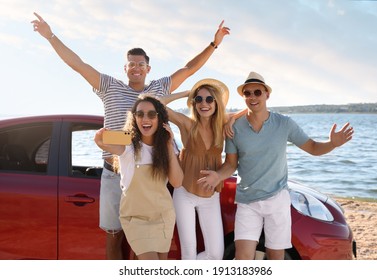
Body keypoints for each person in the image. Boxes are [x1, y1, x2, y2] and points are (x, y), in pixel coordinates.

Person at [31, 12, 230, 259]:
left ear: (148, 68)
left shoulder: (158, 89)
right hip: (116, 172)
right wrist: (50, 35)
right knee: (114, 234)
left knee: (148, 242)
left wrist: (214, 44)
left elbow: (188, 69)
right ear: (125, 68)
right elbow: (78, 64)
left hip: (154, 172)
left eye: (141, 64)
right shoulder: (109, 86)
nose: (136, 68)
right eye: (132, 64)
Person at [198, 71, 354, 260]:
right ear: (243, 97)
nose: (252, 97)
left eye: (257, 92)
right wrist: (218, 175)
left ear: (267, 95)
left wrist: (332, 144)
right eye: (247, 93)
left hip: (277, 200)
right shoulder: (234, 128)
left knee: (275, 257)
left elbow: (312, 147)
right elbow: (231, 164)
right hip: (248, 201)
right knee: (242, 258)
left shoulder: (284, 123)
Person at [160, 78, 244, 259]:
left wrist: (232, 120)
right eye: (198, 99)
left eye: (208, 99)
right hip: (185, 193)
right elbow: (158, 104)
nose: (203, 104)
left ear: (216, 102)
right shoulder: (187, 124)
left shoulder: (222, 125)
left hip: (210, 195)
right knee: (189, 251)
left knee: (216, 255)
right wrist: (187, 93)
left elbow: (251, 111)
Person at [94, 95, 183, 260]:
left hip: (163, 216)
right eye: (140, 114)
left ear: (160, 118)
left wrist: (169, 146)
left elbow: (177, 182)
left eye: (151, 114)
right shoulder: (127, 142)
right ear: (134, 117)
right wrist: (103, 138)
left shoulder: (166, 147)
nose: (145, 118)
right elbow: (103, 140)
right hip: (136, 218)